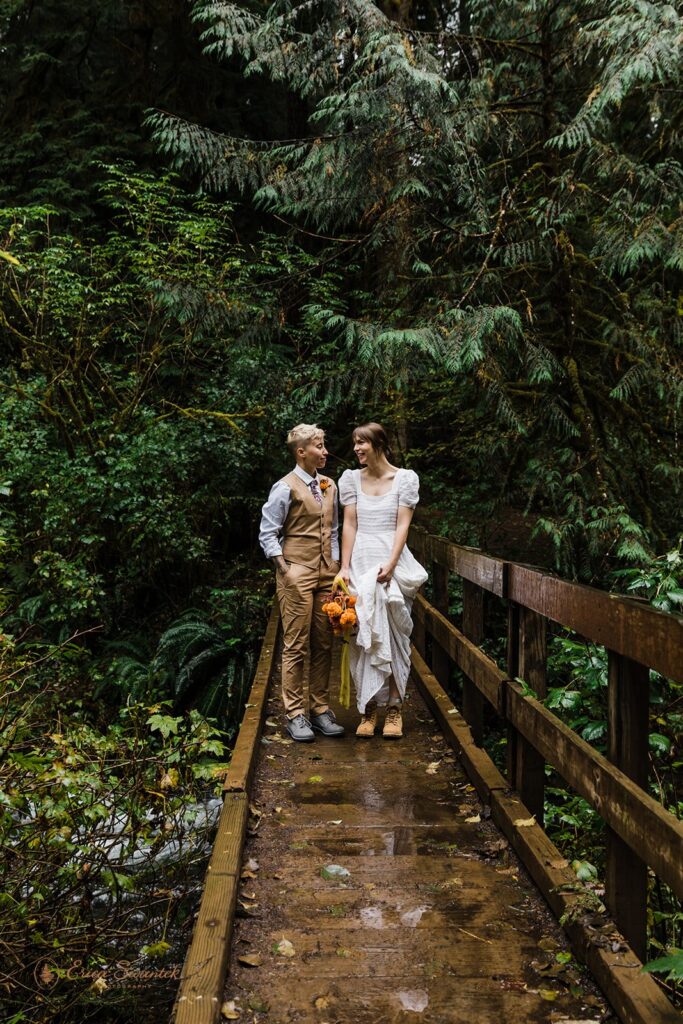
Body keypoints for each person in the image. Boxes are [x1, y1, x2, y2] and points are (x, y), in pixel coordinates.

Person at [338, 422, 427, 739]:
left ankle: (393, 710)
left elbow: (403, 526)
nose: (357, 449)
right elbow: (349, 525)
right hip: (361, 560)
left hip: (392, 560)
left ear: (379, 444)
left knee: (393, 637)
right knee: (363, 635)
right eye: (354, 443)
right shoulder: (350, 480)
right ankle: (367, 710)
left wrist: (390, 564)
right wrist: (344, 566)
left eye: (362, 442)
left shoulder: (404, 480)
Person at [259, 423, 345, 742]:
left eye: (324, 445)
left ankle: (319, 709)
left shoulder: (329, 485)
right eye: (319, 446)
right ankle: (295, 713)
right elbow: (268, 533)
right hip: (296, 570)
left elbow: (333, 530)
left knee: (324, 641)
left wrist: (335, 567)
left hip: (326, 573)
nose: (324, 451)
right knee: (296, 643)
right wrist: (285, 569)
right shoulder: (284, 487)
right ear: (301, 452)